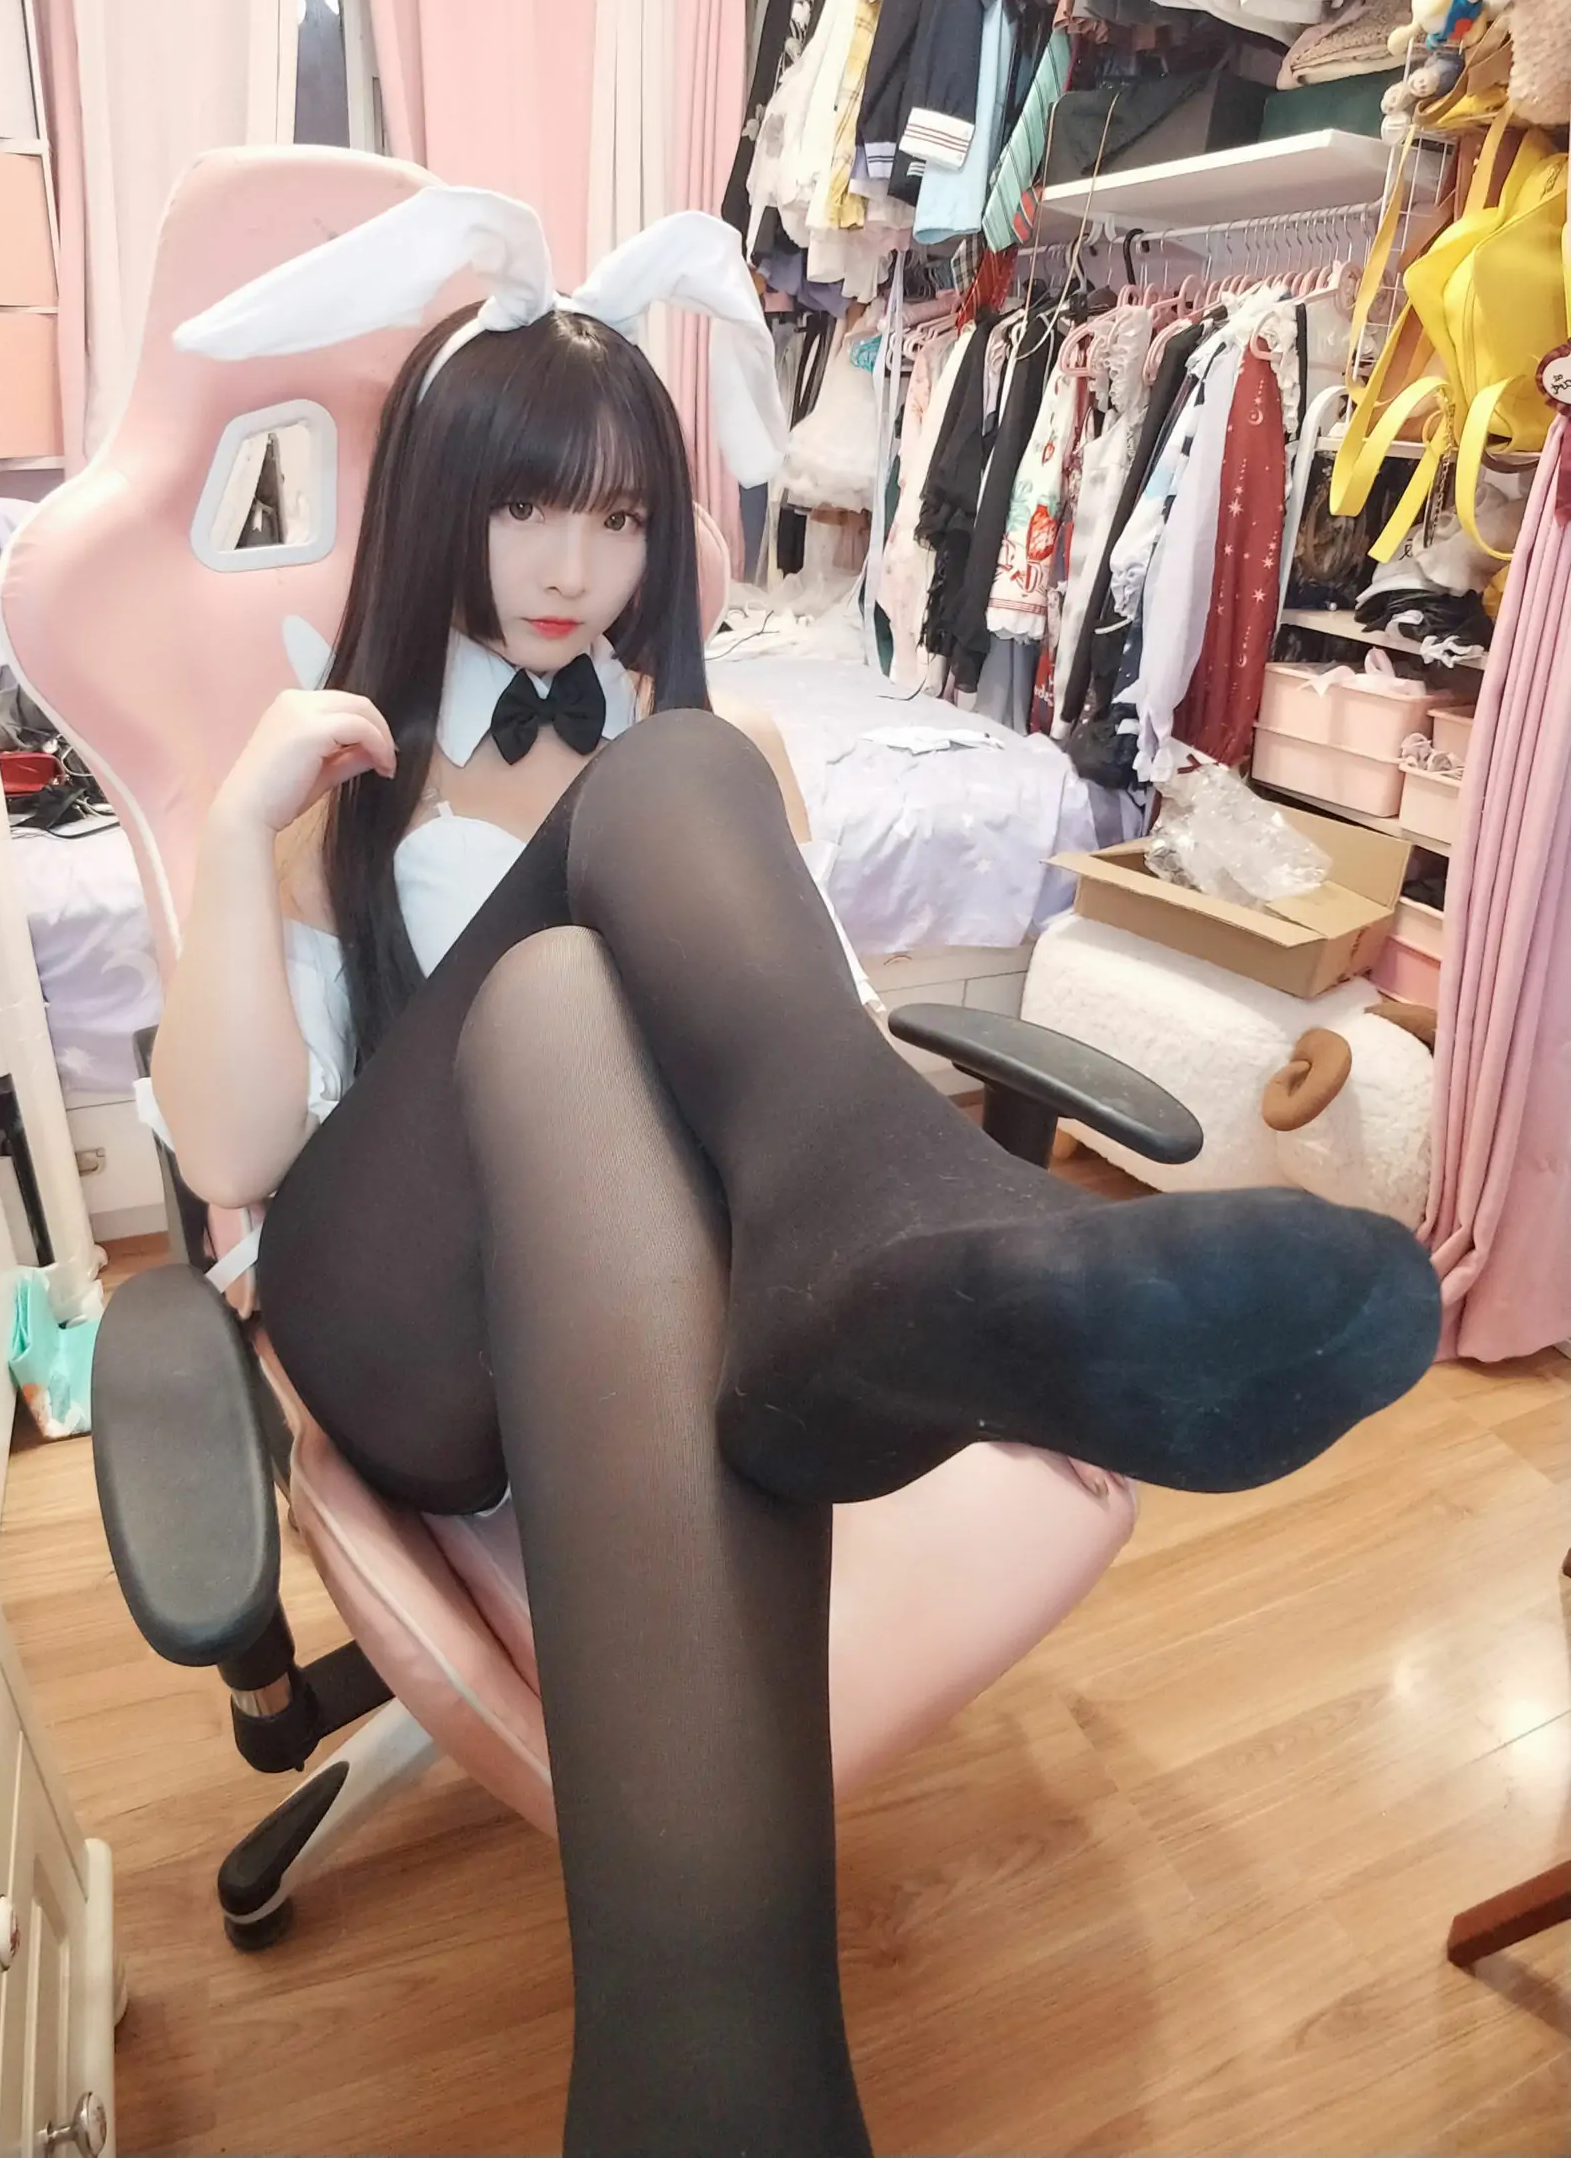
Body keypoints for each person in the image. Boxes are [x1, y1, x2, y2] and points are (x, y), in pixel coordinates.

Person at [152, 191, 1440, 2158]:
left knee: (619, 898)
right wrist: (238, 826)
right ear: (438, 509)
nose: (574, 567)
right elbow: (238, 1152)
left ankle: (710, 2077)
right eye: (525, 509)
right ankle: (885, 1262)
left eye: (619, 517)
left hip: (627, 1299)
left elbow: (797, 1043)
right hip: (398, 1321)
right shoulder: (343, 772)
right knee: (642, 825)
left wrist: (705, 797)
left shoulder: (711, 751)